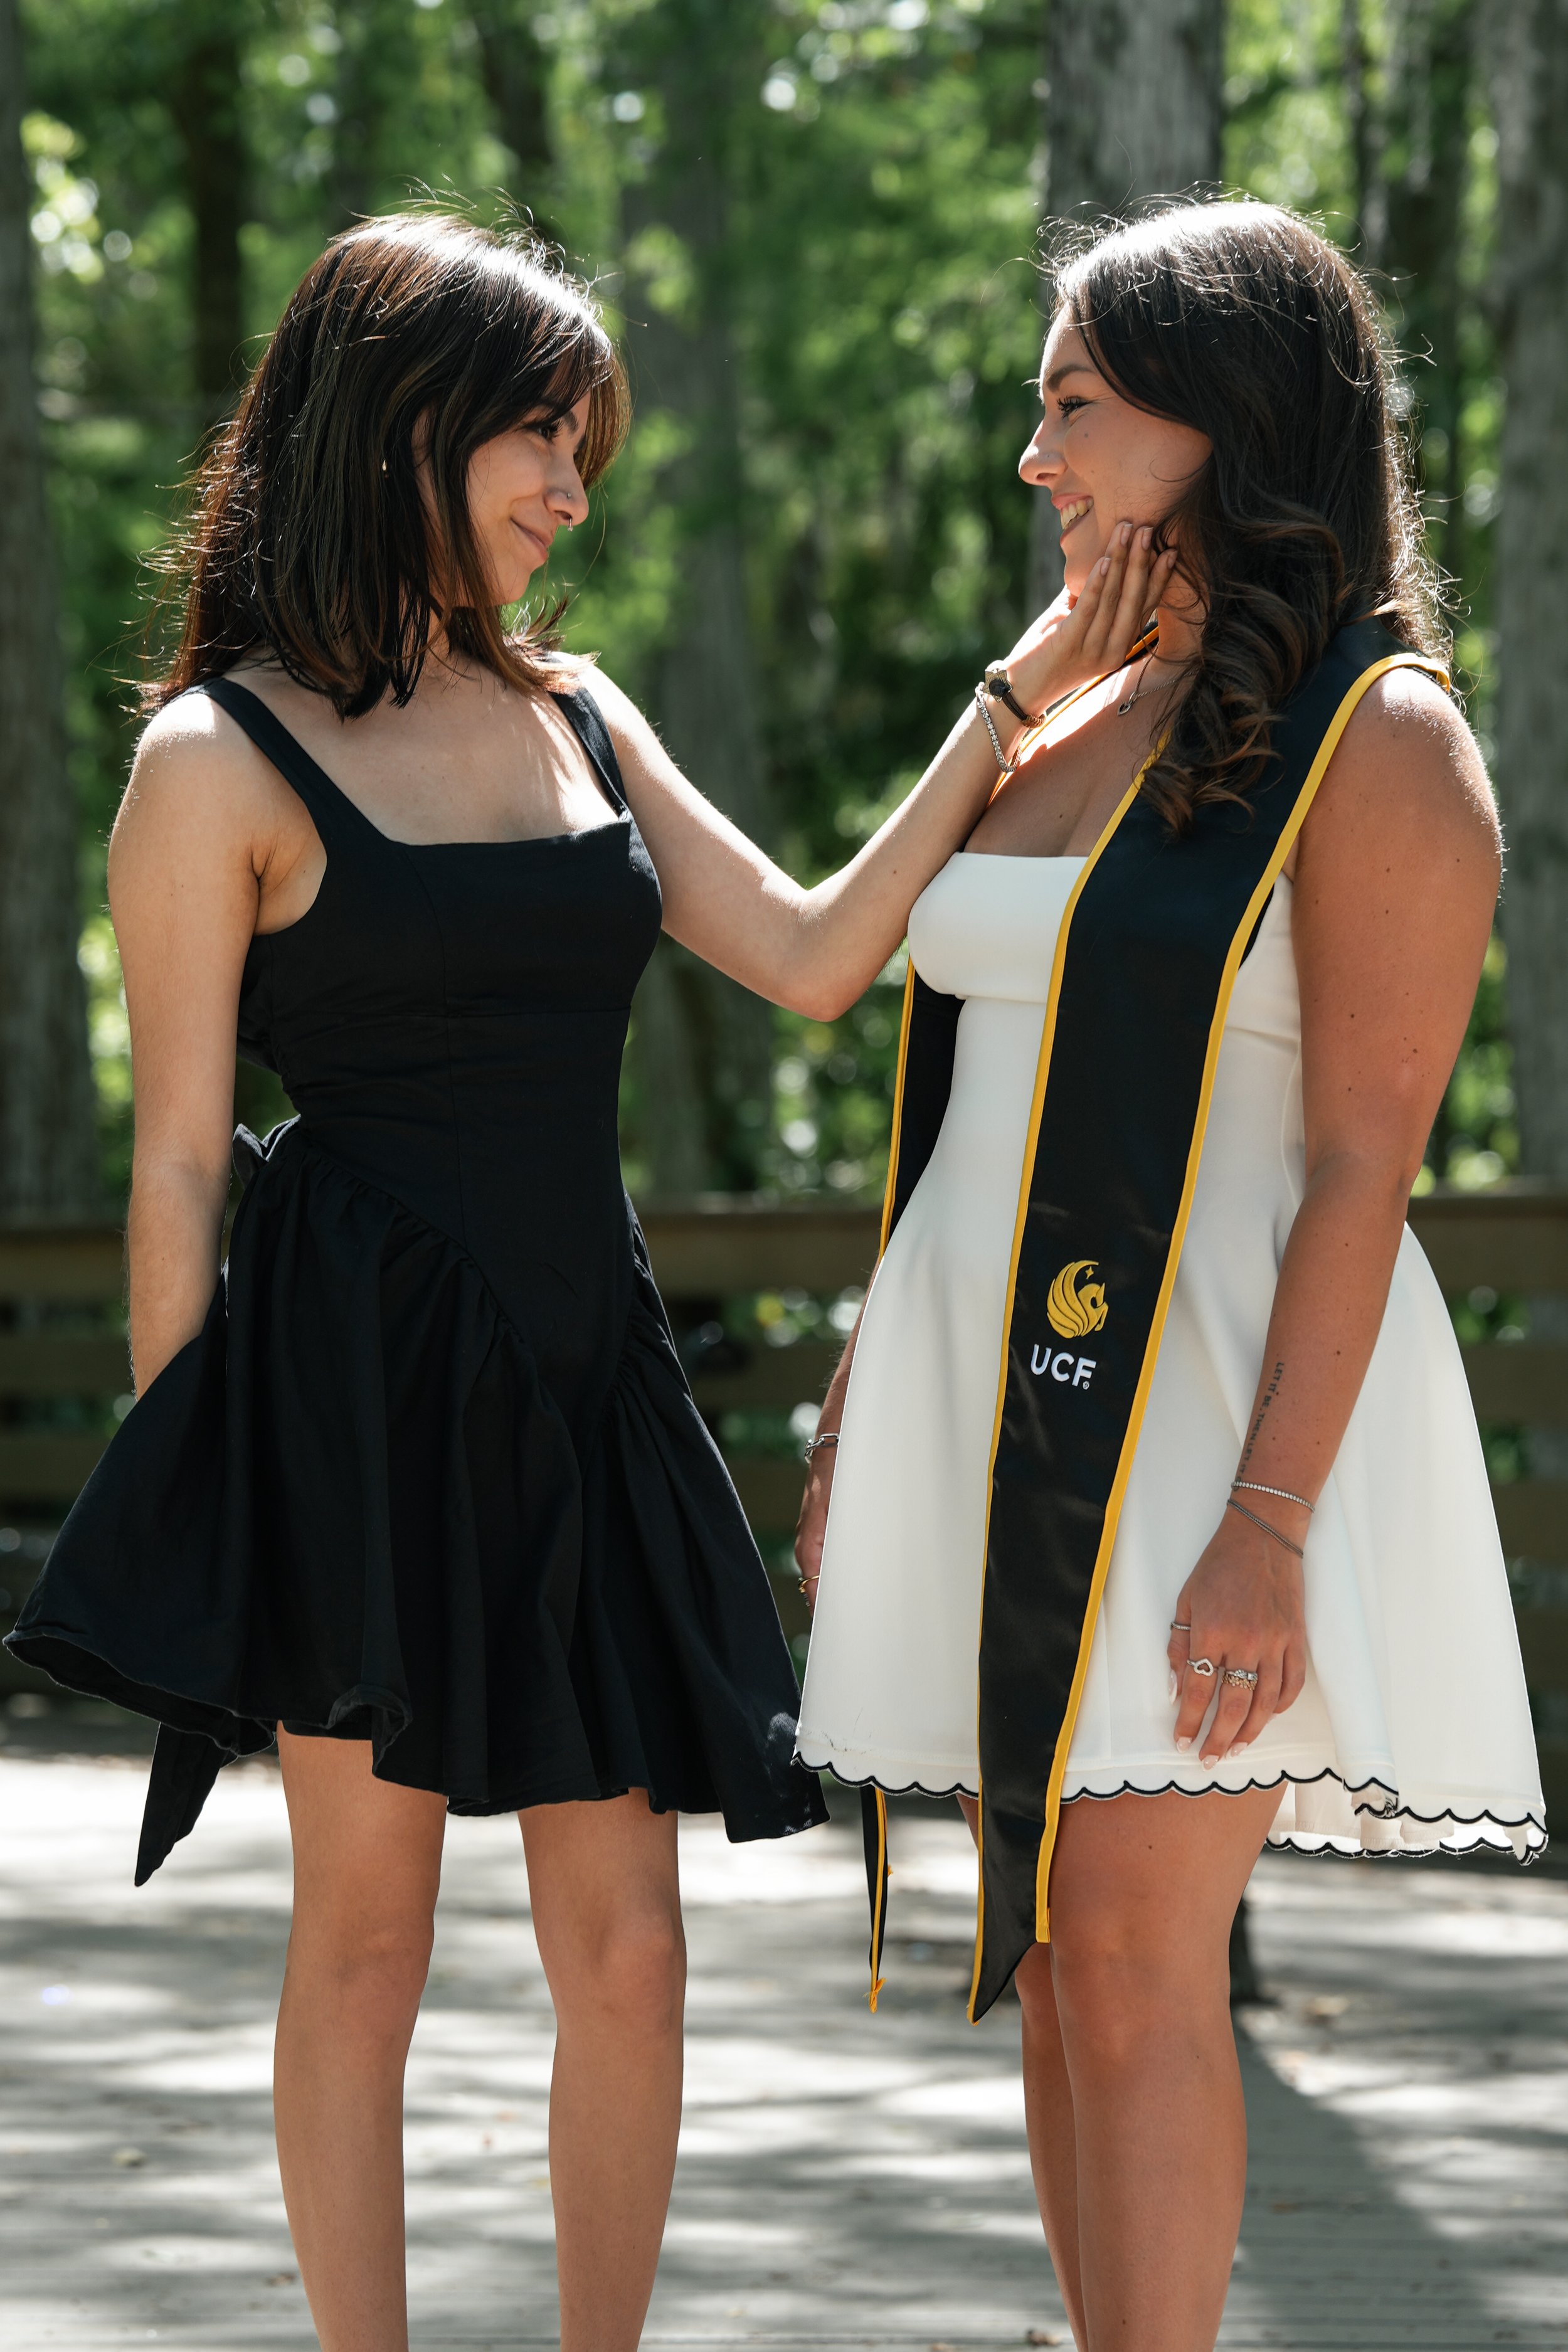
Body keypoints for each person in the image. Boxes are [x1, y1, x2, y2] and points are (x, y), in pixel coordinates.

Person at [7, 213, 1162, 2352]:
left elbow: (812, 955)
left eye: (584, 447)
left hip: (581, 1373)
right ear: (400, 428)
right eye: (537, 437)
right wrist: (207, 1503)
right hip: (349, 1396)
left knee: (631, 1954)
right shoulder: (213, 760)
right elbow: (176, 1161)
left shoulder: (580, 712)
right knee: (365, 1947)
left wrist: (1014, 701)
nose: (571, 488)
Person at [793, 198, 1544, 2352]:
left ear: (1223, 420)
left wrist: (1269, 1523)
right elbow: (954, 1085)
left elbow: (1361, 1165)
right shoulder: (1073, 711)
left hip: (1209, 1412)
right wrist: (861, 1395)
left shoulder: (1376, 736)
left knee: (1131, 1951)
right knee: (1049, 1953)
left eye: (1076, 407)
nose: (1034, 455)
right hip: (987, 1400)